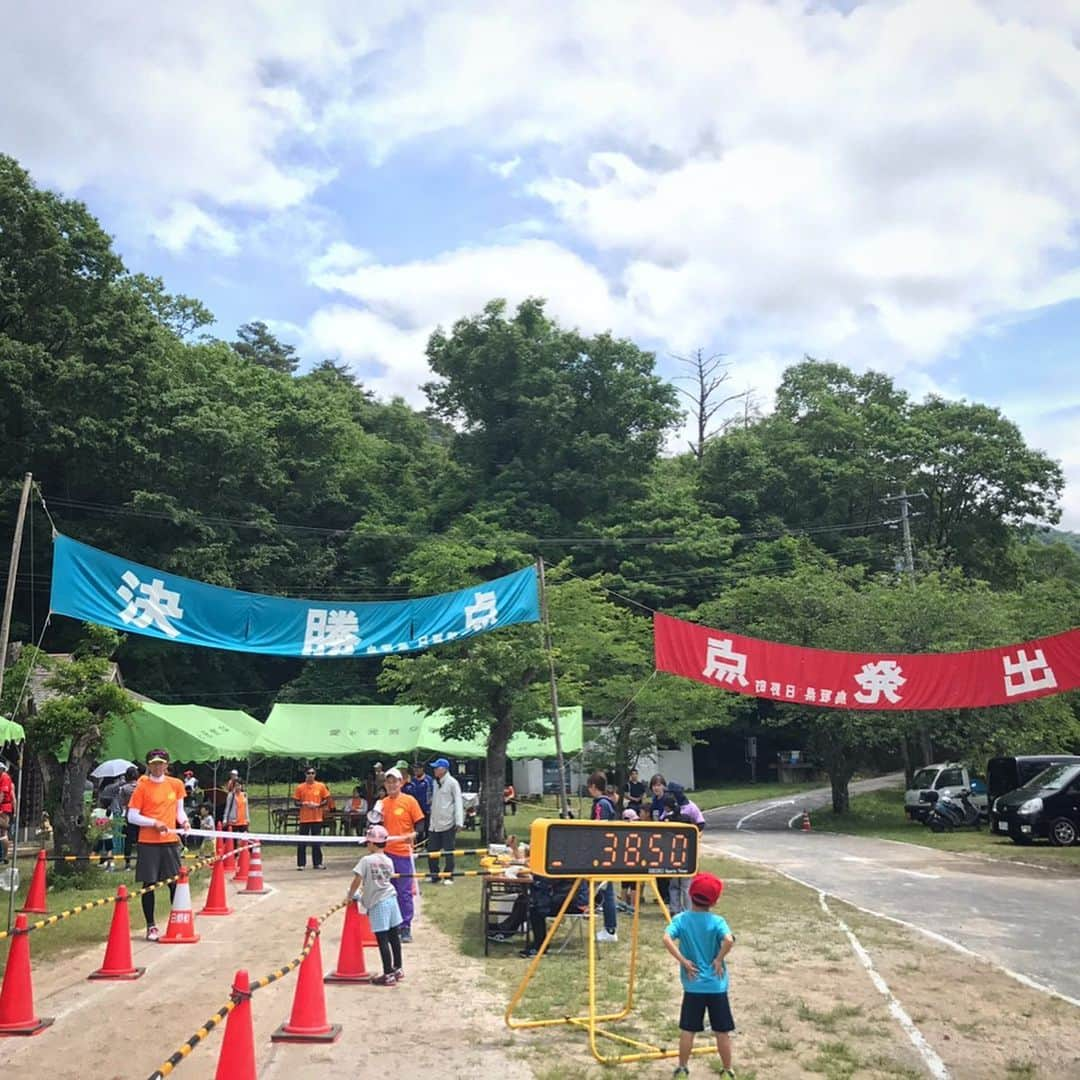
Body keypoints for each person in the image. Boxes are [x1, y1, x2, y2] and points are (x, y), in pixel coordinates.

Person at [663, 871, 736, 1079]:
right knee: (722, 1031)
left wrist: (683, 961)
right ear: (714, 900)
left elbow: (666, 938)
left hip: (693, 986)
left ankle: (683, 1068)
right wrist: (719, 959)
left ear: (691, 893)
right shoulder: (718, 921)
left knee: (688, 1029)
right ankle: (727, 1070)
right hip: (716, 986)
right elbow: (729, 940)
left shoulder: (681, 919)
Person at [126, 748, 190, 941]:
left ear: (167, 765)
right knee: (149, 885)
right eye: (154, 764)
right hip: (149, 842)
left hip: (170, 841)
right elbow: (132, 816)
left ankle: (176, 921)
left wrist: (185, 822)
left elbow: (179, 811)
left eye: (161, 763)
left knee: (174, 884)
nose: (158, 767)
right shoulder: (142, 787)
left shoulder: (176, 784)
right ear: (148, 766)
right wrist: (154, 823)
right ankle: (151, 926)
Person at [346, 824, 403, 986]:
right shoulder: (389, 860)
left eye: (368, 842)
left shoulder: (366, 860)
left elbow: (357, 880)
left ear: (372, 843)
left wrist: (350, 895)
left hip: (378, 902)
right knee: (394, 936)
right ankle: (398, 968)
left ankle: (388, 973)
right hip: (391, 898)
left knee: (382, 938)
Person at [379, 768, 425, 942]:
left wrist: (413, 835)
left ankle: (405, 926)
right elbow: (374, 823)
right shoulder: (381, 803)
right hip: (385, 854)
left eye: (394, 781)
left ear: (401, 783)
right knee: (386, 891)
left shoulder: (409, 801)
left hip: (404, 854)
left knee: (404, 892)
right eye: (388, 782)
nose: (391, 785)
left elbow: (420, 823)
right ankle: (391, 926)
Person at [587, 770, 618, 943]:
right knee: (607, 890)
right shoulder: (606, 803)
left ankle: (610, 929)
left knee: (606, 891)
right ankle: (610, 928)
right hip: (607, 851)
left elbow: (599, 828)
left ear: (593, 786)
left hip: (602, 852)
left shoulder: (601, 804)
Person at [427, 757, 463, 885]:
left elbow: (458, 802)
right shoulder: (435, 782)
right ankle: (434, 875)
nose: (434, 770)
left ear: (444, 769)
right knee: (432, 850)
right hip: (435, 823)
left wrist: (459, 822)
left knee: (448, 851)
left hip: (448, 822)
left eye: (437, 768)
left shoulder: (453, 782)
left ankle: (449, 875)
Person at [294, 767, 330, 870]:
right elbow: (296, 802)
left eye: (313, 773)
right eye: (309, 773)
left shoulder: (321, 786)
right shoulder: (300, 787)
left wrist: (317, 805)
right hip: (304, 818)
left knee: (316, 842)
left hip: (317, 818)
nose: (311, 775)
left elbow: (326, 800)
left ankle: (317, 863)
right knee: (302, 842)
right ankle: (301, 864)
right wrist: (303, 803)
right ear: (305, 774)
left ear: (315, 774)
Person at [116, 766, 140, 870]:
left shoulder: (124, 789)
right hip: (142, 816)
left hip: (129, 816)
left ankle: (127, 863)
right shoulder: (141, 787)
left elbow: (121, 803)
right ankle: (141, 861)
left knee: (128, 841)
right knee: (142, 840)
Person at [403, 762, 433, 827]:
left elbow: (432, 793)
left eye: (418, 768)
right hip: (415, 808)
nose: (416, 770)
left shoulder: (428, 779)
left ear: (422, 769)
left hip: (426, 808)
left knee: (427, 827)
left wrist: (430, 807)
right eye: (414, 768)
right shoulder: (412, 780)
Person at [0, 761, 13, 864]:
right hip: (4, 806)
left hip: (4, 807)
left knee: (3, 831)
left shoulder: (5, 778)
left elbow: (2, 794)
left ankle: (5, 855)